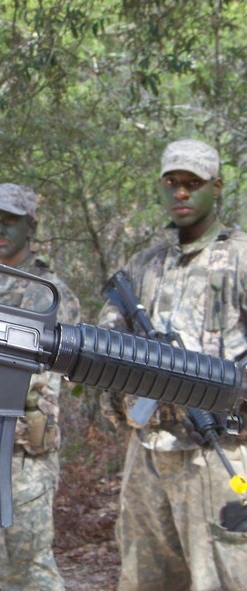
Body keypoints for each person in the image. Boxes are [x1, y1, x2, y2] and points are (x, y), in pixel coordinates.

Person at [97, 139, 247, 591]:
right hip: (147, 453)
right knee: (143, 579)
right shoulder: (144, 266)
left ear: (215, 187)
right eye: (172, 182)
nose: (180, 192)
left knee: (224, 577)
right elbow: (105, 343)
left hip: (219, 454)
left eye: (192, 183)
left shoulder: (240, 256)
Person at [0, 183, 80, 591]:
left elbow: (31, 371)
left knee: (25, 572)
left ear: (30, 226)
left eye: (9, 220)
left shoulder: (49, 294)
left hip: (21, 456)